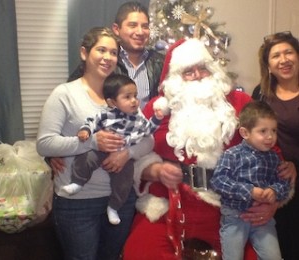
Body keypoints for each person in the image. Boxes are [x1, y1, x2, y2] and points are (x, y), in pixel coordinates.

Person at [122, 38, 296, 260]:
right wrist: (153, 171)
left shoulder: (240, 103)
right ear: (175, 78)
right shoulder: (158, 110)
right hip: (168, 205)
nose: (197, 75)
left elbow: (272, 155)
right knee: (139, 252)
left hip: (231, 208)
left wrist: (272, 201)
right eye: (188, 71)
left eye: (202, 68)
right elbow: (133, 155)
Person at [36, 27, 155, 260]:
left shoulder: (124, 94)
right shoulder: (65, 94)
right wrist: (91, 142)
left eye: (113, 52)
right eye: (101, 50)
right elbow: (45, 143)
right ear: (84, 53)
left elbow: (148, 139)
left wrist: (128, 153)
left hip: (120, 199)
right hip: (78, 203)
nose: (107, 57)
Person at [62, 74, 163, 225]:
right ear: (112, 102)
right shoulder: (105, 115)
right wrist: (85, 131)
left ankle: (114, 206)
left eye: (135, 96)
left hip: (123, 154)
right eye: (127, 97)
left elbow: (148, 132)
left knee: (125, 179)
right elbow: (91, 123)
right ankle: (78, 181)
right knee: (86, 157)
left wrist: (156, 118)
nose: (134, 100)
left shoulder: (139, 119)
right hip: (101, 150)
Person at [211, 101, 292, 260]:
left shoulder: (273, 157)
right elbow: (218, 181)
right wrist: (249, 191)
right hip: (235, 218)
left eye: (274, 131)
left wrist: (274, 191)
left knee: (274, 256)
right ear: (245, 133)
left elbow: (284, 183)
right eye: (263, 131)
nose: (270, 137)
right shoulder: (232, 155)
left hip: (263, 220)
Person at [252, 31, 299, 260]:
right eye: (276, 55)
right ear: (268, 65)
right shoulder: (260, 95)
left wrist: (296, 166)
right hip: (272, 183)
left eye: (289, 52)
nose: (284, 60)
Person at [68, 1, 164, 109]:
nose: (140, 32)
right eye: (132, 25)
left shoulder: (160, 63)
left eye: (145, 26)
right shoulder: (105, 61)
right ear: (116, 29)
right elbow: (73, 95)